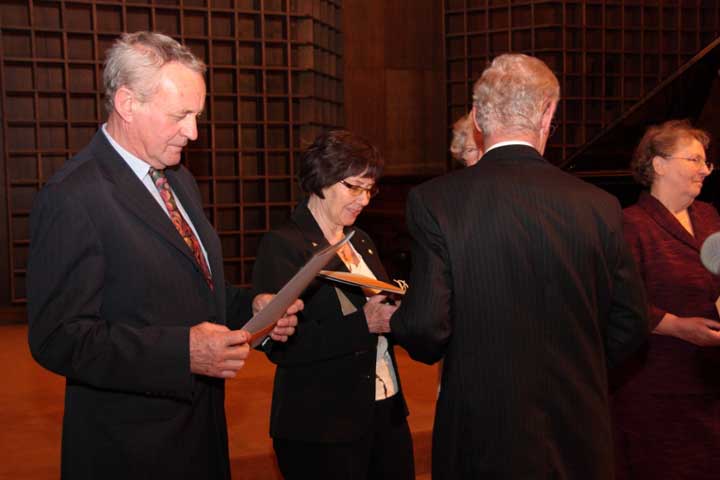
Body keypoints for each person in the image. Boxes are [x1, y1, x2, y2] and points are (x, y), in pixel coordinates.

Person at [26, 31, 301, 480]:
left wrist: (250, 308)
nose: (193, 132)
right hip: (130, 451)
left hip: (200, 433)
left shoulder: (177, 178)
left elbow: (191, 285)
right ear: (127, 104)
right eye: (180, 116)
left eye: (197, 116)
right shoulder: (73, 196)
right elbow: (59, 337)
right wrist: (182, 353)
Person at [390, 53, 649, 479]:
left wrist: (395, 320)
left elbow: (425, 329)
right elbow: (632, 321)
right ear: (548, 114)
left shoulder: (436, 201)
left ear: (478, 117)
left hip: (481, 434)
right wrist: (577, 365)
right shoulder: (599, 206)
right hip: (577, 431)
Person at [252, 130, 415, 480]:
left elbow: (380, 314)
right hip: (322, 426)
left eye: (370, 189)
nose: (364, 200)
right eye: (354, 187)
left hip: (384, 408)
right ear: (321, 179)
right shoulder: (284, 245)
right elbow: (280, 347)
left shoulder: (361, 240)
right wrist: (363, 324)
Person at [612, 120, 720, 479]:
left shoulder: (708, 215)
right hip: (656, 385)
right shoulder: (630, 224)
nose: (705, 170)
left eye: (706, 161)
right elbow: (617, 302)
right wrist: (676, 326)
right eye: (694, 160)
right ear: (659, 164)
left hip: (709, 380)